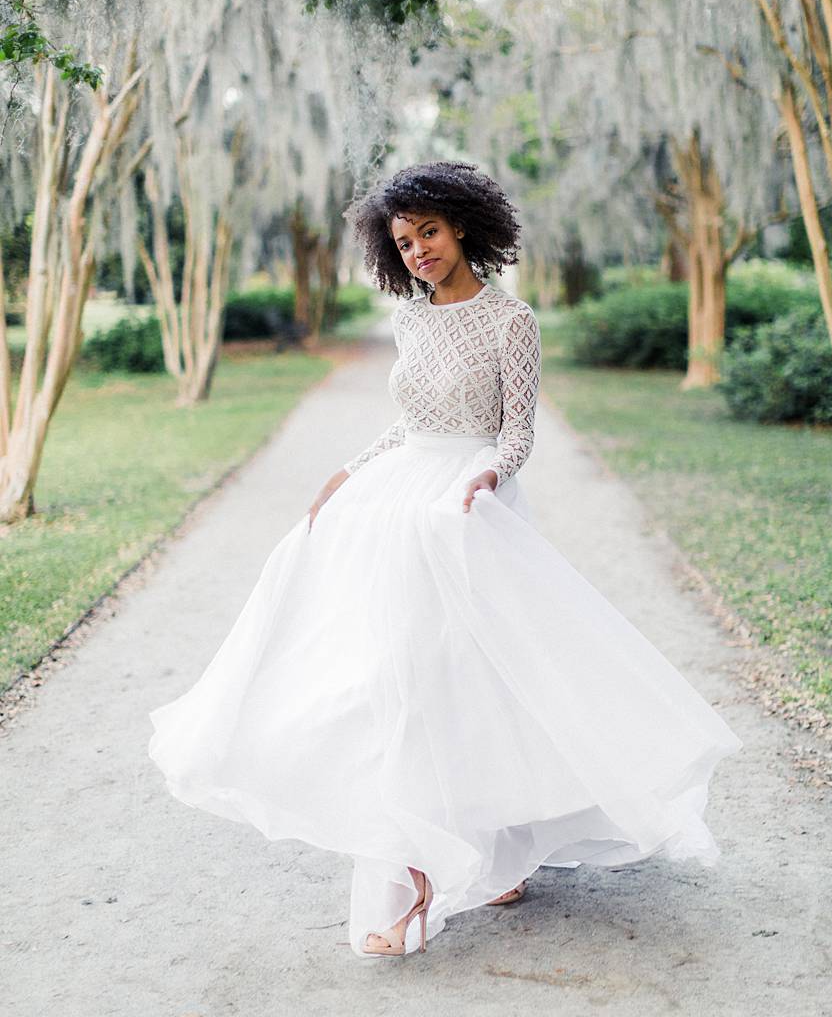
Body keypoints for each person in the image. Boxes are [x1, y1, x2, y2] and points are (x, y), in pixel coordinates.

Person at [147, 160, 743, 959]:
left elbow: (517, 433)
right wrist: (351, 470)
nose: (419, 249)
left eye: (429, 231)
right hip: (398, 503)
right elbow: (408, 423)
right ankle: (441, 865)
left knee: (476, 679)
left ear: (463, 227)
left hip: (468, 508)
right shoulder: (409, 318)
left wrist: (486, 475)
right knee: (400, 678)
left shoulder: (511, 321)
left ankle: (474, 859)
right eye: (404, 240)